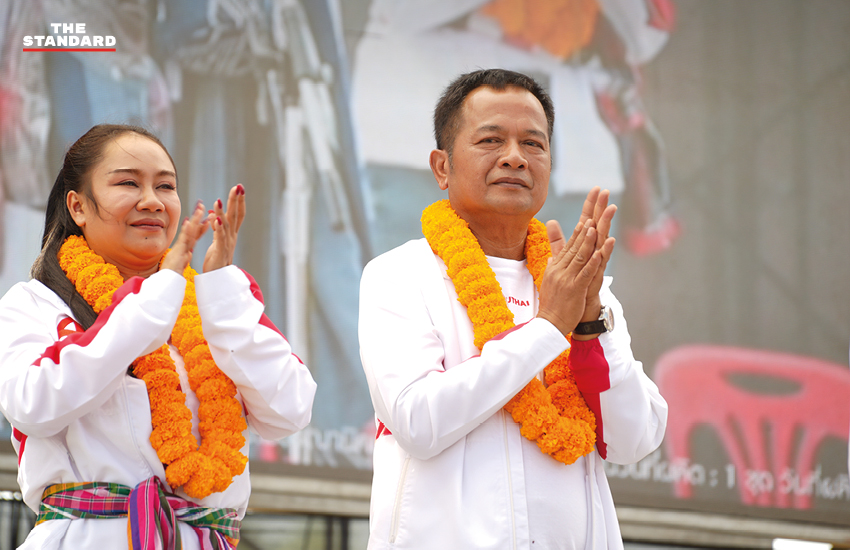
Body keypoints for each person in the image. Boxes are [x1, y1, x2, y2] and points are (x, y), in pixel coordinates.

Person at [358, 69, 667, 549]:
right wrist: (548, 327)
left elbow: (635, 439)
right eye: (490, 140)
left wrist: (588, 326)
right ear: (442, 167)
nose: (515, 158)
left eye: (534, 144)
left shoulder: (580, 286)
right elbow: (418, 422)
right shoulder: (400, 274)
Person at [0, 124, 317, 549]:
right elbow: (32, 404)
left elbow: (290, 411)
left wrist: (222, 287)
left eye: (166, 186)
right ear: (77, 206)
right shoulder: (35, 304)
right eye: (128, 182)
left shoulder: (212, 306)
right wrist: (152, 303)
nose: (152, 200)